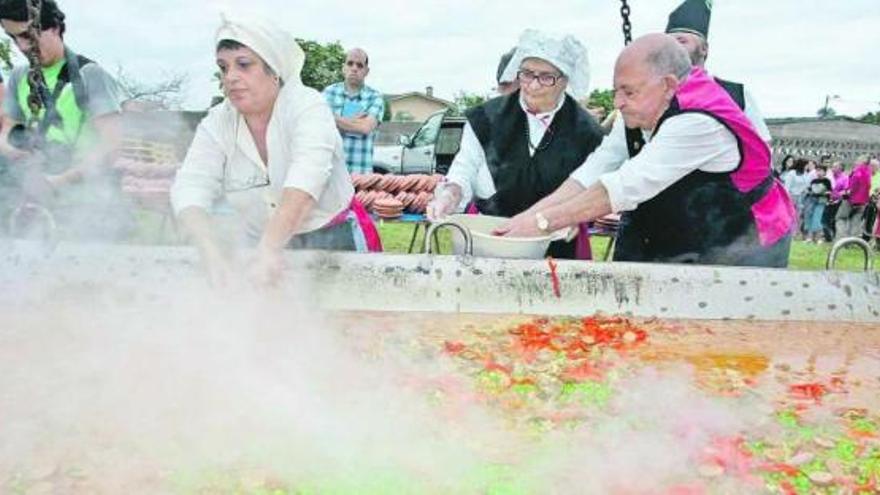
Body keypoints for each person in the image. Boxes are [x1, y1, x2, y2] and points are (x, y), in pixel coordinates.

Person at [495, 34, 795, 268]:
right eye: (617, 91)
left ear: (668, 85)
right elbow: (592, 172)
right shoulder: (640, 110)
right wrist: (526, 217)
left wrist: (541, 224)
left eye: (628, 91)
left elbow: (623, 186)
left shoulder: (699, 121)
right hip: (683, 233)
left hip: (740, 242)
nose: (618, 103)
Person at [170, 16, 381, 287]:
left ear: (274, 71)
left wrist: (269, 249)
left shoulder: (307, 107)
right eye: (223, 67)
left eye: (244, 65)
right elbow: (191, 185)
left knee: (348, 324)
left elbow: (306, 179)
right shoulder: (218, 122)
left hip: (332, 236)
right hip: (257, 241)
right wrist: (210, 252)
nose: (230, 77)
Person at [427, 29, 605, 259]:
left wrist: (575, 219)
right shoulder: (486, 118)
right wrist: (449, 195)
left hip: (555, 247)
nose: (533, 85)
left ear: (564, 81)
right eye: (527, 74)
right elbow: (465, 168)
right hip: (491, 240)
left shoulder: (587, 132)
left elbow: (592, 192)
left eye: (546, 77)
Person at [0, 0, 125, 239]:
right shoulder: (18, 76)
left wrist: (62, 180)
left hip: (81, 190)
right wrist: (11, 150)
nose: (22, 46)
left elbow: (112, 145)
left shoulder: (91, 76)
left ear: (55, 28)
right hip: (31, 185)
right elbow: (8, 130)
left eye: (28, 35)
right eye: (13, 38)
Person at [664, 0, 771, 143]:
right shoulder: (651, 96)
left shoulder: (737, 95)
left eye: (681, 41)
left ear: (704, 49)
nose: (673, 48)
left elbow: (762, 146)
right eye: (668, 44)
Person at [322, 48, 384, 175]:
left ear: (366, 71)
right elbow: (319, 125)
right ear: (343, 68)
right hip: (331, 175)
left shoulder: (375, 97)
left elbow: (365, 128)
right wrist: (352, 122)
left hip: (361, 176)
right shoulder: (328, 93)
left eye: (360, 65)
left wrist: (332, 118)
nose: (354, 68)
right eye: (350, 63)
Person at [834, 156, 873, 240]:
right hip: (862, 202)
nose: (856, 161)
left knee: (841, 218)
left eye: (858, 160)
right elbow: (869, 186)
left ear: (862, 162)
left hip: (851, 200)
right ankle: (852, 241)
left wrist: (845, 192)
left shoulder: (857, 171)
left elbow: (853, 187)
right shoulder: (868, 173)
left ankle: (841, 239)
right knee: (855, 222)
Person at [801, 164, 831, 243]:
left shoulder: (827, 181)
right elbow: (810, 190)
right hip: (812, 201)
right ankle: (809, 237)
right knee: (810, 218)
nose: (819, 172)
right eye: (817, 170)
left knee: (817, 218)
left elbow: (830, 192)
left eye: (821, 170)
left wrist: (825, 194)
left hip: (821, 201)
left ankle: (818, 237)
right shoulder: (813, 181)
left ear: (825, 172)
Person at [823, 160, 848, 241]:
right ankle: (827, 237)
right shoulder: (829, 176)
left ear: (841, 168)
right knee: (824, 219)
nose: (833, 168)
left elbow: (846, 190)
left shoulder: (845, 178)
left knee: (834, 220)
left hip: (838, 202)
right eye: (832, 167)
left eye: (835, 167)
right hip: (827, 200)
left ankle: (834, 236)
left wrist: (837, 195)